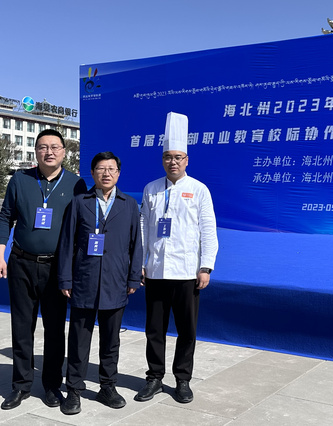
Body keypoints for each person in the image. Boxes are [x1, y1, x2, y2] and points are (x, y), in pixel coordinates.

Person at [0, 129, 87, 410]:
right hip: (21, 263)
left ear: (64, 152)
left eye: (55, 147)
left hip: (57, 267)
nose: (49, 152)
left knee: (55, 330)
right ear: (35, 151)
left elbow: (82, 226)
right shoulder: (20, 180)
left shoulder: (76, 184)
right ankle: (21, 385)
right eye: (43, 147)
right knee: (22, 327)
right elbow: (5, 217)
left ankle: (52, 385)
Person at [136, 112, 218, 404]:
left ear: (187, 160)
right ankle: (154, 377)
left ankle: (182, 379)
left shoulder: (198, 190)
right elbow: (144, 227)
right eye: (168, 157)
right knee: (154, 330)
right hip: (156, 270)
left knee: (187, 330)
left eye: (178, 157)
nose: (173, 162)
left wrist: (205, 266)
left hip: (186, 272)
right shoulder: (151, 189)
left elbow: (208, 230)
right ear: (162, 160)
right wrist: (140, 262)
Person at [57, 151, 143, 415]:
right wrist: (65, 278)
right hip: (84, 280)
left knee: (111, 340)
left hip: (116, 281)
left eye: (111, 169)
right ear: (92, 173)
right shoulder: (79, 203)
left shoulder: (129, 204)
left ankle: (108, 386)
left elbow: (136, 244)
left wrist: (133, 277)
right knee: (78, 340)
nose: (106, 173)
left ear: (118, 173)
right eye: (101, 169)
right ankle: (74, 390)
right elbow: (67, 243)